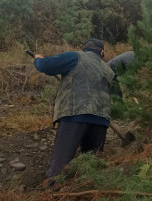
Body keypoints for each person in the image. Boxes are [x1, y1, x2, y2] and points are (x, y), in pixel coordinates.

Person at [33, 38, 114, 182]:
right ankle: (88, 192)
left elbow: (46, 66)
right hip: (101, 120)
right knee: (91, 165)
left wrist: (38, 59)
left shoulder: (75, 56)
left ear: (85, 48)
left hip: (75, 115)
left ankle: (52, 192)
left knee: (60, 164)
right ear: (102, 52)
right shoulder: (108, 69)